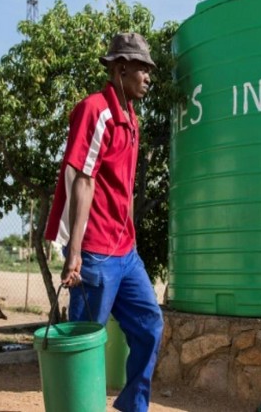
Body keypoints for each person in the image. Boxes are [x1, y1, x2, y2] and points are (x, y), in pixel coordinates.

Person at [44, 32, 163, 412]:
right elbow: (83, 179)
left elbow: (122, 189)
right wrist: (74, 252)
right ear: (121, 68)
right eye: (142, 68)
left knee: (149, 326)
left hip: (125, 252)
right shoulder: (95, 110)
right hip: (95, 253)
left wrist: (132, 238)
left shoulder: (131, 118)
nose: (148, 77)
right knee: (86, 345)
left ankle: (133, 407)